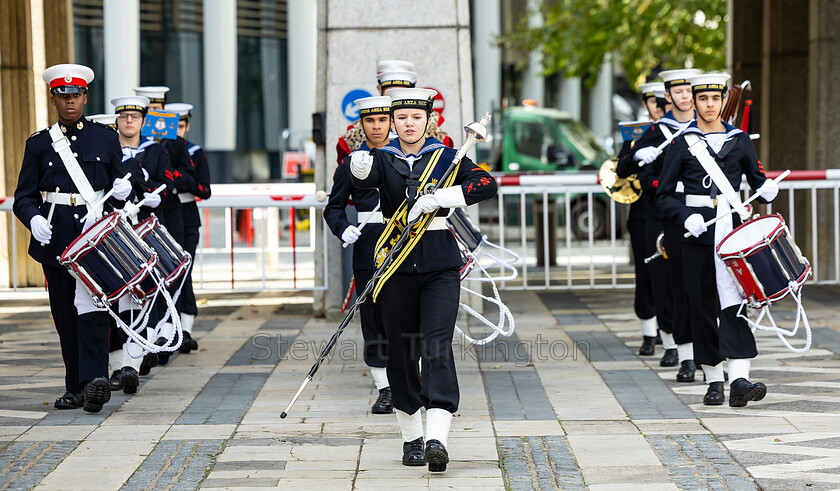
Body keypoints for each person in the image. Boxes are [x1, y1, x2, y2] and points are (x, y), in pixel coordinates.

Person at [351, 87, 497, 472]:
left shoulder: (448, 156)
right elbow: (362, 183)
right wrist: (360, 166)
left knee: (435, 345)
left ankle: (437, 439)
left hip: (439, 266)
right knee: (401, 351)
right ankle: (411, 438)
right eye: (401, 118)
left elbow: (486, 185)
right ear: (394, 122)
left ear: (428, 120)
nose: (409, 124)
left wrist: (442, 198)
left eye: (416, 117)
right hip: (394, 265)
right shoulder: (382, 159)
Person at [13, 64, 131, 412]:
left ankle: (95, 380)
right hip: (57, 238)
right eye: (63, 96)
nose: (69, 102)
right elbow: (24, 196)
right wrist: (32, 217)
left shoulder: (106, 137)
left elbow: (119, 185)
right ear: (53, 99)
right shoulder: (38, 144)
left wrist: (125, 188)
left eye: (75, 96)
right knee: (66, 315)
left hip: (93, 239)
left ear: (84, 97)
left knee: (95, 309)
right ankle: (75, 386)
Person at [657, 72, 778, 407]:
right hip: (697, 234)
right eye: (703, 99)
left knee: (736, 304)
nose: (710, 105)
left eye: (716, 99)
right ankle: (713, 380)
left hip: (733, 234)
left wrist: (767, 188)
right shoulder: (681, 143)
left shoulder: (739, 141)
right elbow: (664, 195)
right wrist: (685, 216)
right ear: (694, 101)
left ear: (724, 101)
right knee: (702, 307)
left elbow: (756, 181)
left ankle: (739, 379)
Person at [629, 69, 700, 380]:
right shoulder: (658, 130)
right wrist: (638, 158)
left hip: (701, 217)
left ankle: (705, 350)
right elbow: (626, 166)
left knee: (702, 286)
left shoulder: (710, 130)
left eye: (690, 92)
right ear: (667, 97)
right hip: (661, 216)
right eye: (680, 92)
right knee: (664, 282)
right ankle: (672, 344)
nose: (686, 98)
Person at [325, 96, 393, 415]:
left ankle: (411, 378)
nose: (376, 127)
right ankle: (385, 387)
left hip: (404, 241)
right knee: (373, 318)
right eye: (370, 121)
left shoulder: (408, 157)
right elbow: (334, 206)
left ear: (391, 123)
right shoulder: (351, 162)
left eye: (382, 121)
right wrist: (343, 229)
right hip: (368, 243)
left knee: (409, 312)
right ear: (361, 125)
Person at [108, 94, 171, 386]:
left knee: (138, 297)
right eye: (123, 117)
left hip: (140, 228)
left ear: (144, 121)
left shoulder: (155, 151)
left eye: (134, 117)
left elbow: (165, 182)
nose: (129, 121)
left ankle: (132, 363)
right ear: (117, 121)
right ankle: (117, 364)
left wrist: (158, 195)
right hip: (110, 229)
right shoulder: (107, 149)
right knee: (109, 297)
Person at [134, 86, 199, 363]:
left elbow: (192, 179)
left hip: (171, 218)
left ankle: (168, 332)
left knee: (170, 277)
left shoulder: (175, 144)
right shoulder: (132, 140)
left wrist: (167, 179)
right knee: (143, 280)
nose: (155, 113)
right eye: (150, 109)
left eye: (159, 107)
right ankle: (146, 336)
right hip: (139, 217)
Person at [336, 60, 453, 165]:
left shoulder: (437, 134)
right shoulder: (353, 136)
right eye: (390, 94)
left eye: (402, 95)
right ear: (379, 90)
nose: (397, 100)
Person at [614, 82, 658, 359]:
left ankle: (675, 333)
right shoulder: (637, 133)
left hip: (674, 215)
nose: (658, 106)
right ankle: (650, 332)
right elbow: (620, 168)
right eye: (653, 101)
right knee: (646, 276)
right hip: (644, 214)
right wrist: (634, 153)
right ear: (646, 104)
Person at [165, 102, 213, 353]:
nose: (178, 131)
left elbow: (205, 190)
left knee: (183, 273)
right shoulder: (156, 148)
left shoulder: (194, 151)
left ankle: (185, 328)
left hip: (186, 216)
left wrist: (178, 178)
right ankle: (164, 329)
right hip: (161, 214)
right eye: (174, 125)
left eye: (181, 126)